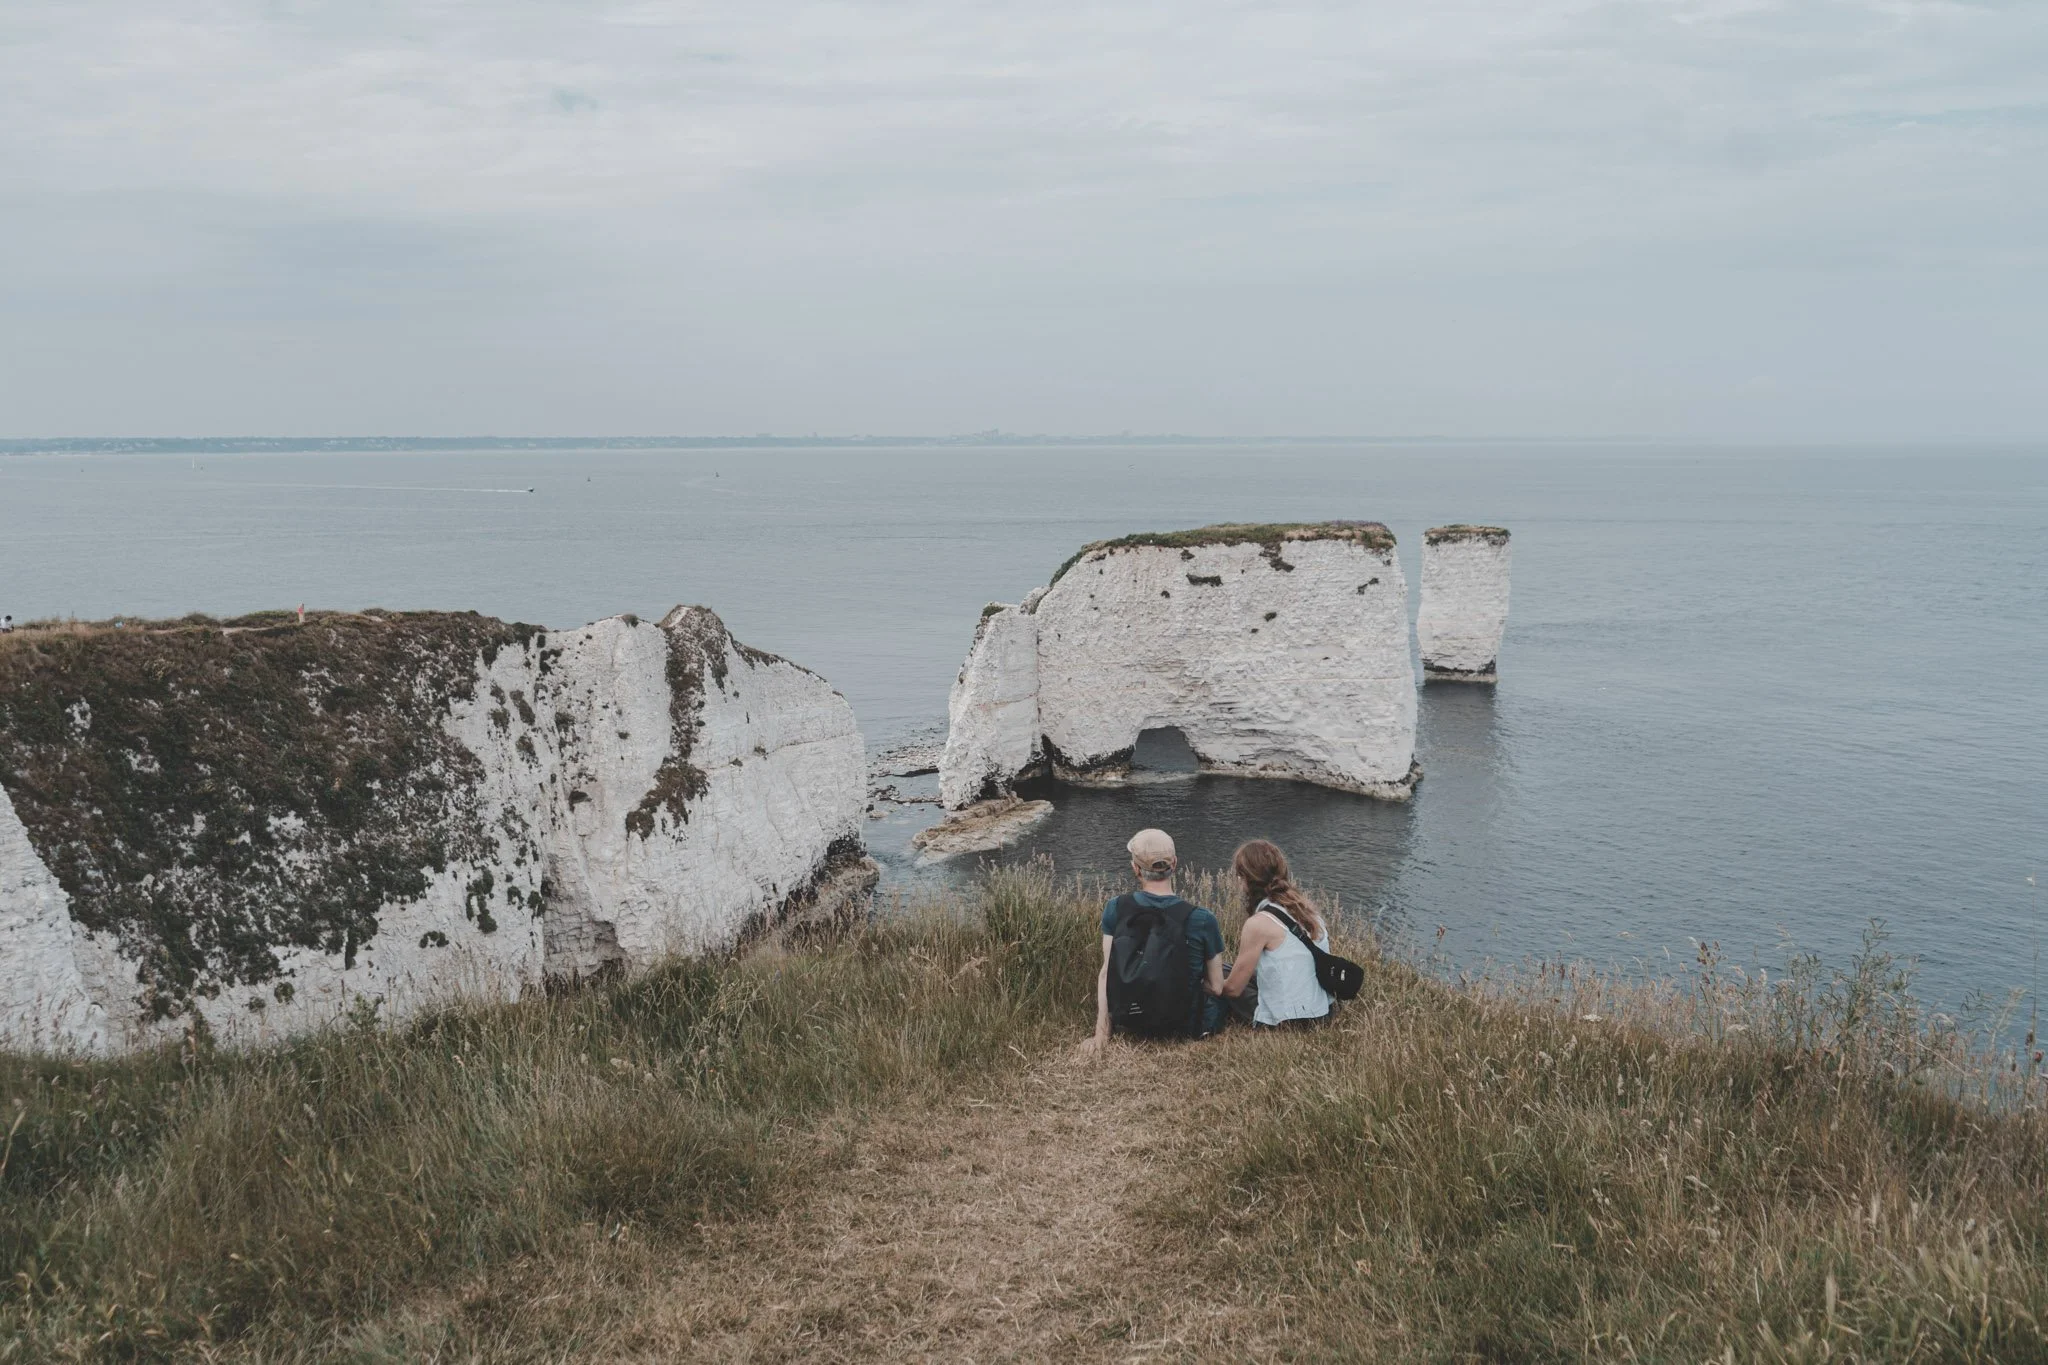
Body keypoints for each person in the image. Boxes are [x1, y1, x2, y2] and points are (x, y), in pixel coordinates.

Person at [1083, 828, 1225, 1050]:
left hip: (1129, 1020)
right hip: (1183, 1026)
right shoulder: (1202, 918)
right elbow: (1217, 987)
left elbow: (1106, 973)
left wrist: (1100, 1035)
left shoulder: (1115, 908)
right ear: (1175, 863)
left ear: (1135, 869)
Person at [1217, 839, 1333, 1029]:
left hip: (1287, 1022)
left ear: (1245, 879)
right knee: (1225, 969)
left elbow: (1234, 989)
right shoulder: (1307, 910)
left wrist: (1211, 985)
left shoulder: (1258, 924)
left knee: (1213, 973)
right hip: (1322, 1013)